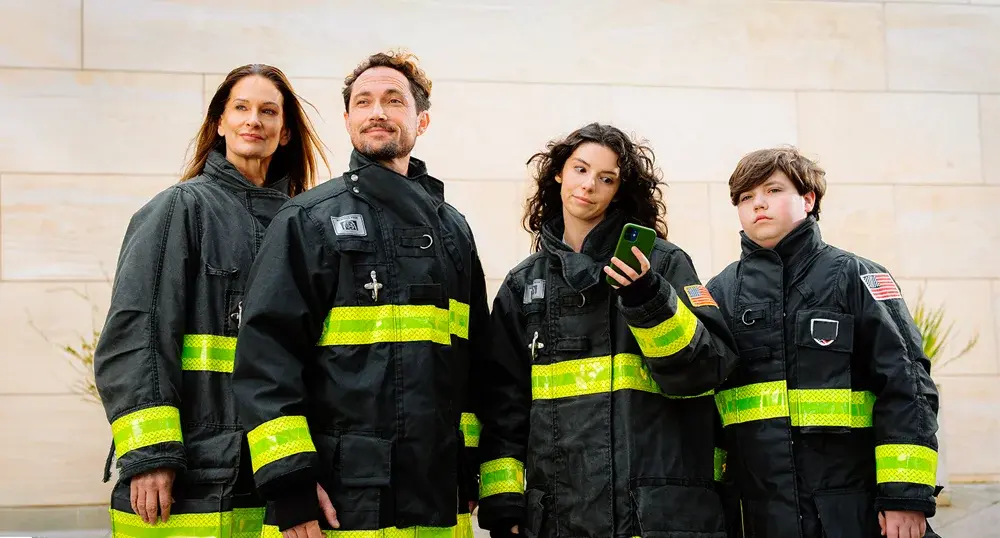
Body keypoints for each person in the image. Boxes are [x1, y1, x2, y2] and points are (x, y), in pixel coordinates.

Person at [231, 50, 487, 538]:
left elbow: (474, 366)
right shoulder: (308, 220)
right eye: (364, 101)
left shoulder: (455, 231)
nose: (378, 112)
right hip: (338, 505)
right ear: (348, 120)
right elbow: (266, 360)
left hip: (438, 504)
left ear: (422, 120)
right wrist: (289, 483)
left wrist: (472, 462)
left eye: (394, 100)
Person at [93, 63, 329, 536]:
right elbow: (135, 335)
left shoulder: (308, 221)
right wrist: (152, 454)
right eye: (240, 108)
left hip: (277, 478)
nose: (253, 121)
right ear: (219, 123)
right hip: (195, 479)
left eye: (267, 111)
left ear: (284, 133)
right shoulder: (179, 208)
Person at [474, 123, 741, 538]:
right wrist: (503, 500)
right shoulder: (522, 286)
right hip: (558, 518)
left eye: (606, 178)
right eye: (580, 169)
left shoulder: (662, 264)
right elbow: (502, 402)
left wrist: (648, 299)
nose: (589, 186)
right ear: (559, 173)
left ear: (619, 191)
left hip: (653, 516)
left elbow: (707, 369)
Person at [706, 147, 941, 538]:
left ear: (808, 199)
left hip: (852, 511)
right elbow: (708, 412)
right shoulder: (720, 293)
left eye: (773, 190)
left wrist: (905, 497)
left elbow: (907, 386)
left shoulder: (857, 277)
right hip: (758, 514)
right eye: (746, 197)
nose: (758, 203)